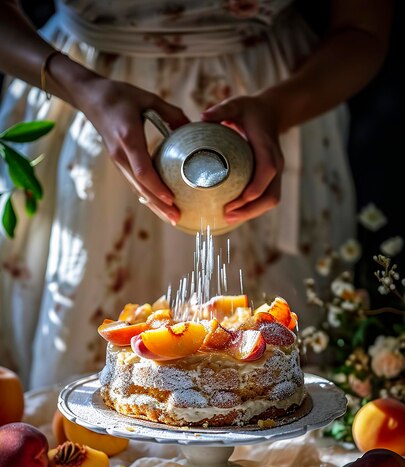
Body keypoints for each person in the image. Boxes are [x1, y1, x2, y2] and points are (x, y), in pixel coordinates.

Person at [0, 0, 393, 390]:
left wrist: (280, 108)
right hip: (80, 93)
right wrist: (83, 89)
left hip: (284, 98)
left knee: (279, 397)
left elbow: (364, 29)